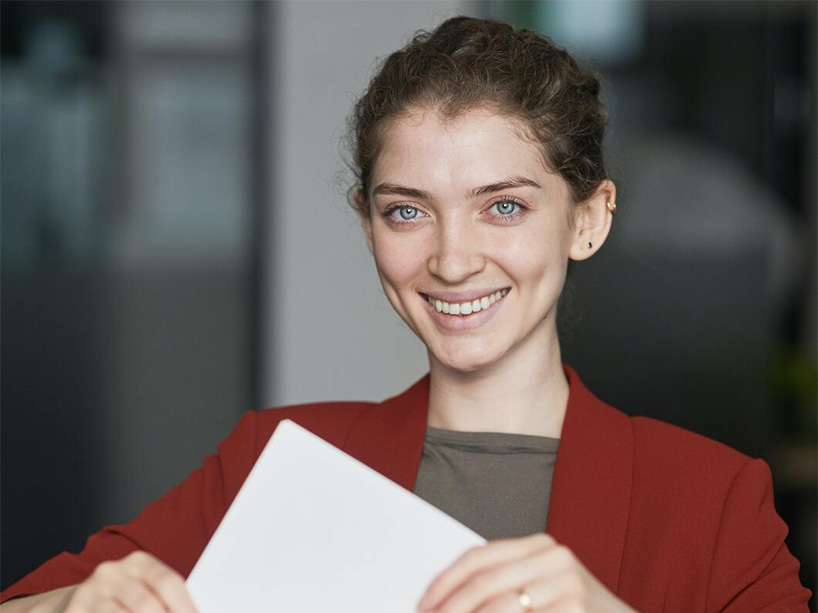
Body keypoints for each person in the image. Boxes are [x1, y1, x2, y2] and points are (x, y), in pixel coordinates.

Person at [0, 16, 810, 613]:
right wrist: (75, 606)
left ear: (589, 219)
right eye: (407, 211)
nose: (452, 259)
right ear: (368, 223)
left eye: (502, 207)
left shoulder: (716, 499)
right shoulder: (276, 463)